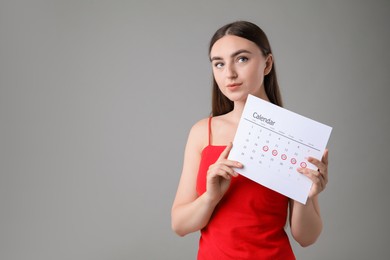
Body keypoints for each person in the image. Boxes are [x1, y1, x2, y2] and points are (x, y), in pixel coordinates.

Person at [171, 21, 329, 259]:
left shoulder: (296, 134)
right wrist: (212, 196)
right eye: (219, 64)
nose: (229, 73)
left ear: (267, 64)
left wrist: (306, 195)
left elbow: (306, 238)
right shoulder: (203, 132)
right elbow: (180, 225)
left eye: (242, 59)